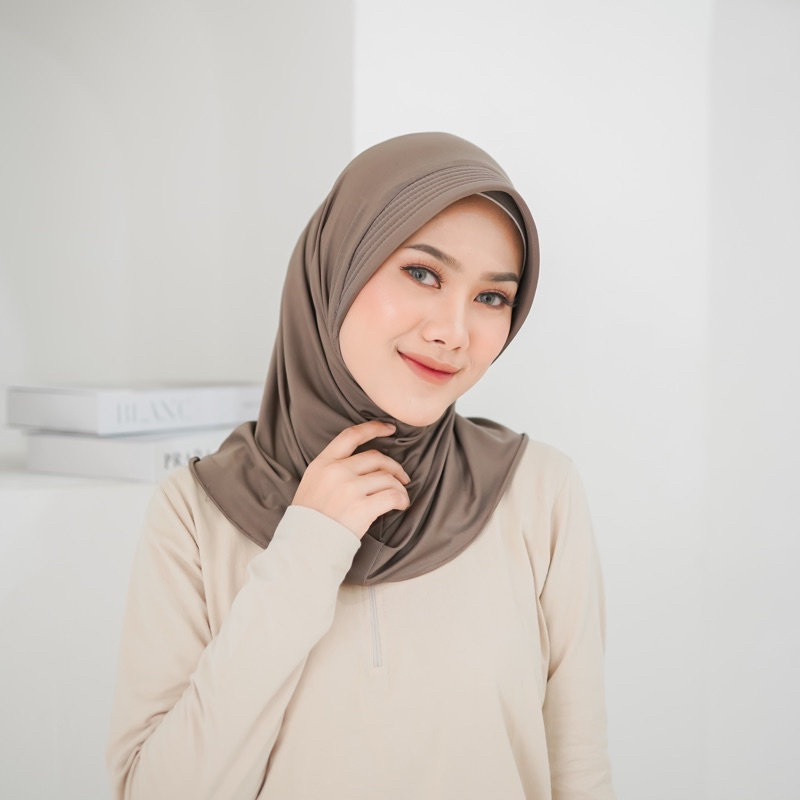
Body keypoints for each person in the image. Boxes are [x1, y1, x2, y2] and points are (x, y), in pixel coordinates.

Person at [106, 132, 615, 799]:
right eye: (423, 273)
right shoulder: (195, 512)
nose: (454, 332)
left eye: (492, 297)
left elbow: (580, 773)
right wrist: (307, 550)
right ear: (339, 265)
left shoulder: (538, 493)